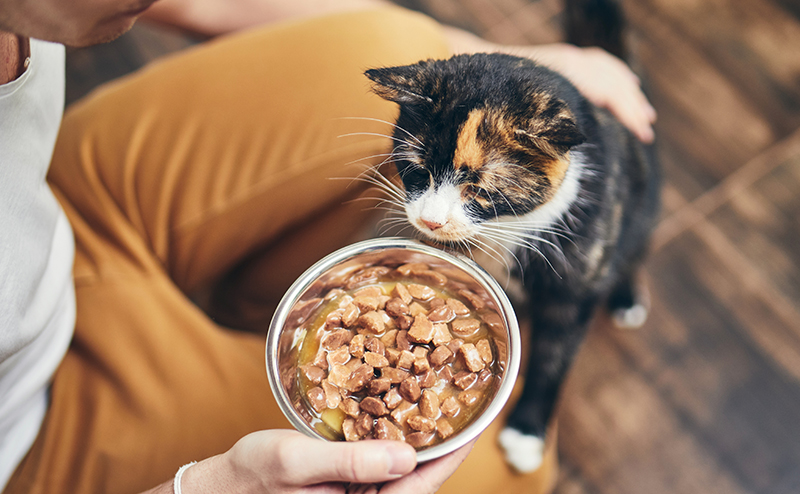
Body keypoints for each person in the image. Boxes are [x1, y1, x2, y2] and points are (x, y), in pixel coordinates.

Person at [0, 0, 656, 493]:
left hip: (53, 204)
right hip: (30, 429)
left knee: (393, 35)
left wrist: (490, 67)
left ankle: (243, 312)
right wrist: (202, 488)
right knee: (516, 473)